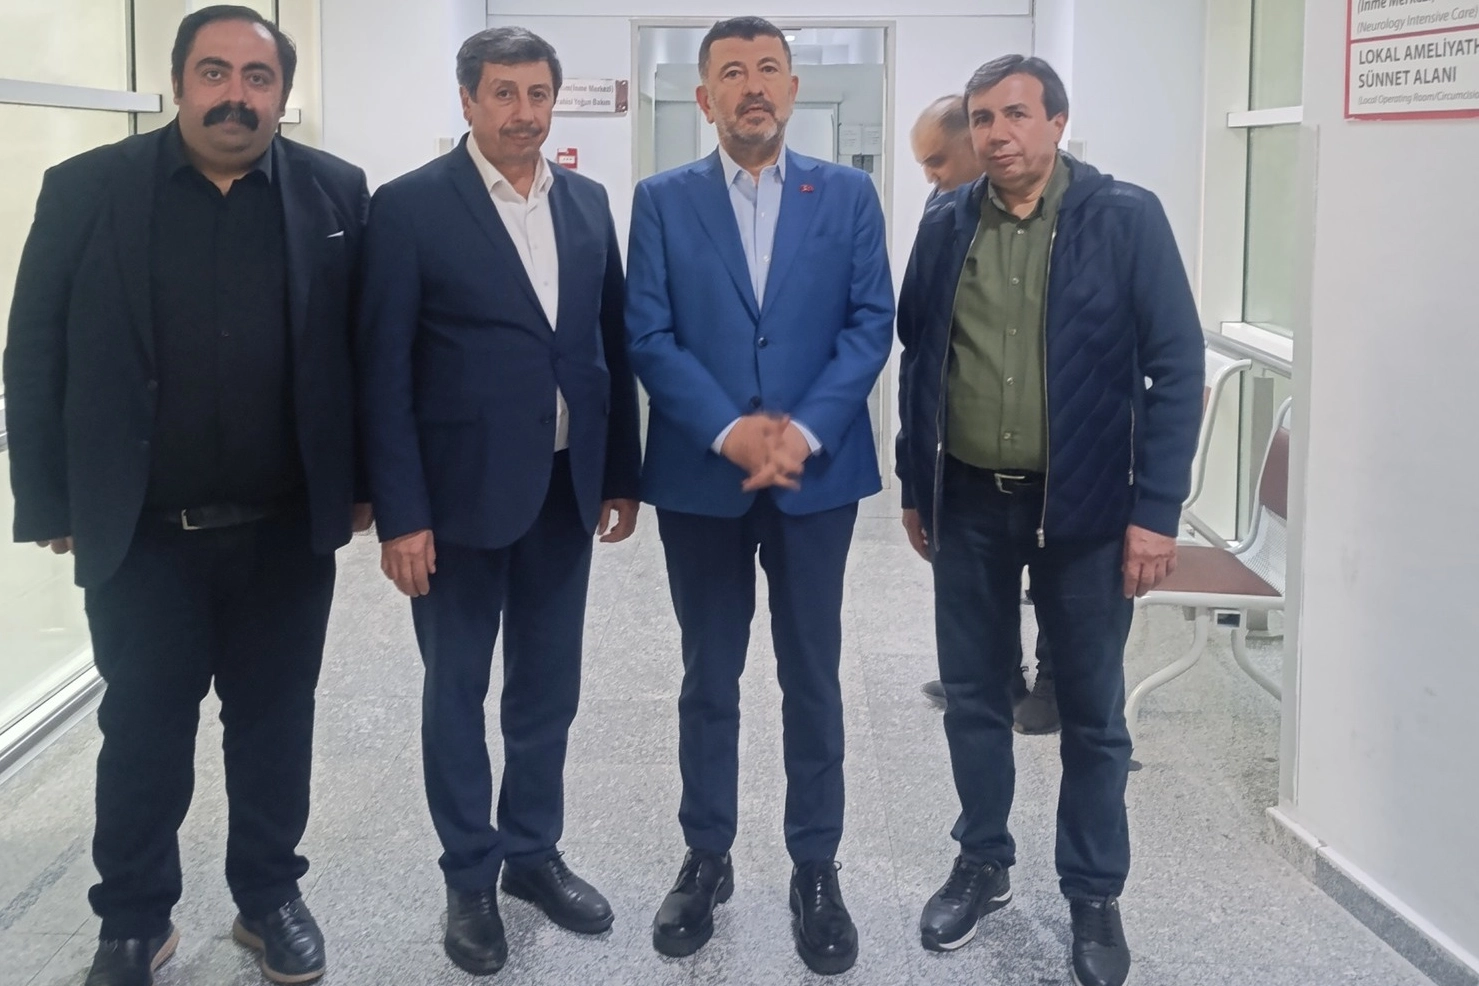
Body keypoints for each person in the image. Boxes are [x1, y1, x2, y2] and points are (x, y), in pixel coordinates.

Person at [3, 7, 370, 985]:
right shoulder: (87, 188)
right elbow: (33, 349)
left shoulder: (335, 191)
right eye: (215, 72)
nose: (235, 96)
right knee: (142, 733)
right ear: (178, 82)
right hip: (143, 534)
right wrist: (48, 498)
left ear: (281, 94)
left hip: (285, 530)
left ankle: (268, 896)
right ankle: (133, 916)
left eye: (257, 77)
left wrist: (363, 485)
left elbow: (362, 351)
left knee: (275, 724)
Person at [895, 55, 1203, 986]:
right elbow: (920, 357)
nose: (997, 135)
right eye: (983, 118)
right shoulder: (946, 221)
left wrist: (1155, 513)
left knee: (1093, 715)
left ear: (1057, 123)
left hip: (1088, 508)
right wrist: (915, 484)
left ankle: (1093, 892)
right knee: (974, 697)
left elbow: (1175, 368)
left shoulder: (1125, 218)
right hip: (968, 500)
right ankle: (982, 861)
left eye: (1016, 114)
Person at [356, 26, 642, 977]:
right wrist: (401, 514)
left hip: (564, 489)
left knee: (547, 689)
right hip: (454, 503)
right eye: (504, 93)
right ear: (468, 101)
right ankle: (469, 876)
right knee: (456, 691)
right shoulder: (409, 207)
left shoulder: (587, 203)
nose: (524, 112)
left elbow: (606, 346)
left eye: (537, 93)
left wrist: (619, 473)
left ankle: (531, 852)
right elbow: (382, 371)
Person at [624, 16, 893, 976]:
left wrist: (800, 433)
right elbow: (648, 332)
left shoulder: (847, 195)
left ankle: (815, 866)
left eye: (768, 69)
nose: (752, 86)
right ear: (704, 97)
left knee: (812, 674)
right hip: (702, 477)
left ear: (791, 89)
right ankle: (707, 855)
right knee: (708, 676)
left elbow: (869, 323)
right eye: (731, 72)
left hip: (818, 479)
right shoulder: (661, 200)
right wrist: (729, 430)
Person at [909, 93, 1059, 734]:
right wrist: (914, 472)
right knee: (980, 583)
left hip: (1057, 461)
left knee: (1055, 581)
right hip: (971, 460)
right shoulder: (944, 218)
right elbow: (919, 344)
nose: (931, 176)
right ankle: (995, 675)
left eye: (937, 161)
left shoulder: (1079, 216)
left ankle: (1053, 684)